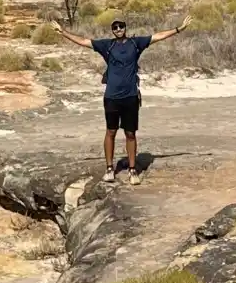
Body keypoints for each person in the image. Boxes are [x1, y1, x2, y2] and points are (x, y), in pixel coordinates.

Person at [57, 16, 186, 183]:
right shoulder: (107, 45)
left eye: (121, 26)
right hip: (112, 97)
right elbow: (83, 41)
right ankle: (110, 169)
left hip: (130, 96)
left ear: (125, 27)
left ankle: (132, 170)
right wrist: (63, 32)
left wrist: (178, 29)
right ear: (112, 30)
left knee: (130, 133)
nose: (118, 29)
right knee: (111, 131)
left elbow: (158, 36)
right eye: (115, 27)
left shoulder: (136, 43)